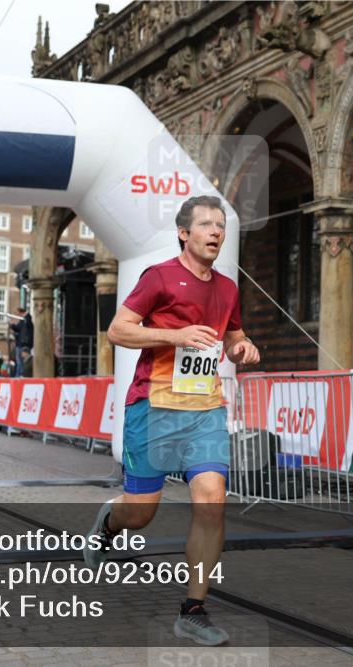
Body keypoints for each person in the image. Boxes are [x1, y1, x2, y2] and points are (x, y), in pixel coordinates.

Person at [83, 195, 260, 646]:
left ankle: (193, 610)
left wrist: (242, 347)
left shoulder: (227, 288)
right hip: (153, 406)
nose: (216, 232)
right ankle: (109, 523)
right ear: (184, 233)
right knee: (141, 513)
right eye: (206, 225)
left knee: (212, 499)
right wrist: (173, 334)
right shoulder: (159, 277)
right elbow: (118, 330)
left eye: (221, 226)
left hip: (204, 411)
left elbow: (234, 335)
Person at [11, 308, 33, 377]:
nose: (17, 315)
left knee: (21, 361)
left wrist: (26, 314)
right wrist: (12, 325)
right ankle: (18, 374)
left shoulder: (26, 319)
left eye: (18, 313)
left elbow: (23, 327)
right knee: (19, 361)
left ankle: (20, 374)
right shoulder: (23, 321)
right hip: (20, 343)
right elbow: (18, 328)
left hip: (23, 343)